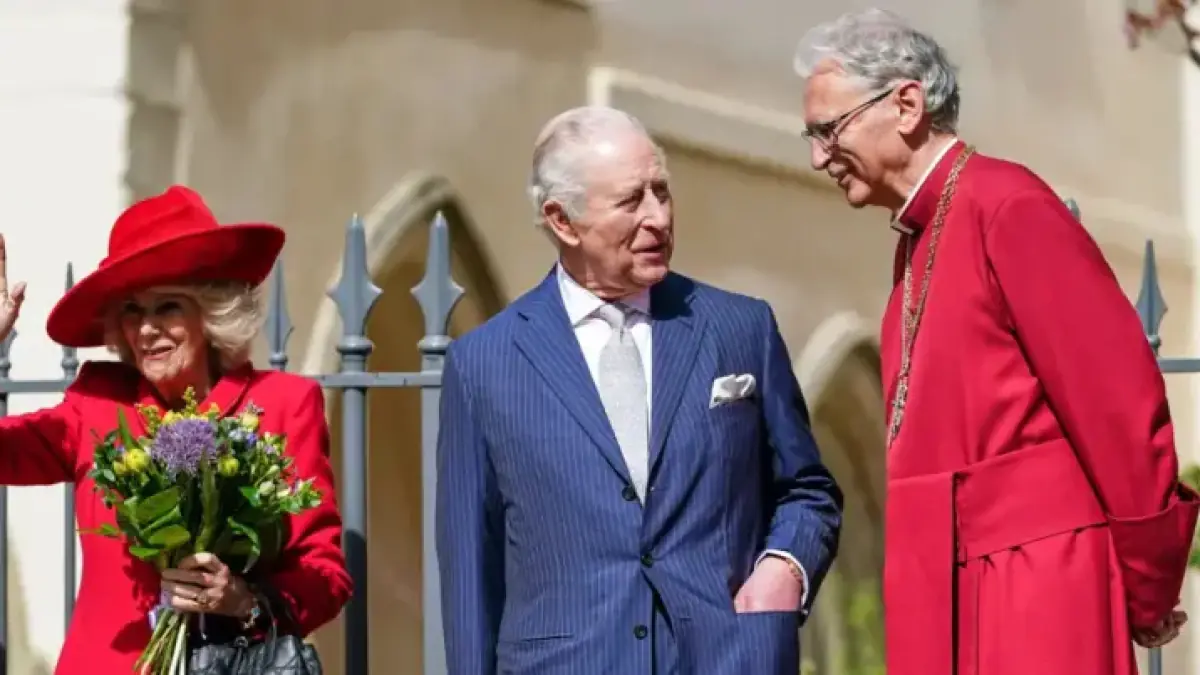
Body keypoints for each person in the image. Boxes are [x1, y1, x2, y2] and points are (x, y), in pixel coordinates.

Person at [793, 9, 1199, 675]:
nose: (817, 158)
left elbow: (1117, 404)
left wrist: (1147, 580)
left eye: (829, 130)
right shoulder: (917, 242)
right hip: (947, 586)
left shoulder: (1008, 206)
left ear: (906, 105)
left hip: (1035, 586)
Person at [435, 105, 843, 675]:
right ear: (562, 221)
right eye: (631, 201)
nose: (658, 217)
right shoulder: (484, 363)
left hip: (726, 658)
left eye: (662, 192)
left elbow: (808, 490)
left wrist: (785, 566)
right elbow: (468, 572)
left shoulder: (739, 328)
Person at [0, 185, 352, 673]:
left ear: (211, 313)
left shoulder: (283, 405)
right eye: (132, 310)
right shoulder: (98, 404)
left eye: (166, 306)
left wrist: (244, 600)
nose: (146, 329)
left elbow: (325, 575)